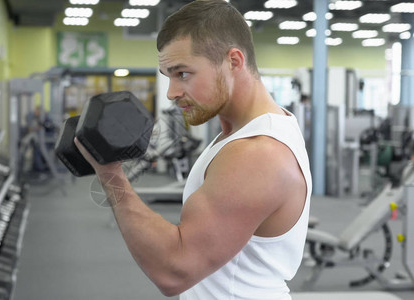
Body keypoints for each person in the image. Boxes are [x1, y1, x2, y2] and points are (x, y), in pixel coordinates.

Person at [75, 0, 312, 299]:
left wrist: (110, 172)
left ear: (234, 61)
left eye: (182, 74)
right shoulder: (238, 135)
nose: (172, 93)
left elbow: (174, 270)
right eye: (169, 77)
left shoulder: (257, 153)